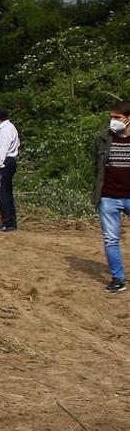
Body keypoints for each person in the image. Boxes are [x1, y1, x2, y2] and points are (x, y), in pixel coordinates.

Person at [93, 101, 130, 294]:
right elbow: (97, 166)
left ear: (128, 118)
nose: (113, 121)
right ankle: (118, 279)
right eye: (112, 117)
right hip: (108, 196)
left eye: (117, 118)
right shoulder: (103, 138)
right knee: (110, 239)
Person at [0, 105, 20, 232]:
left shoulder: (5, 130)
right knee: (6, 192)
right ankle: (10, 220)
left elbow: (2, 149)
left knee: (2, 194)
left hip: (4, 163)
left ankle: (7, 222)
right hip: (8, 162)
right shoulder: (9, 128)